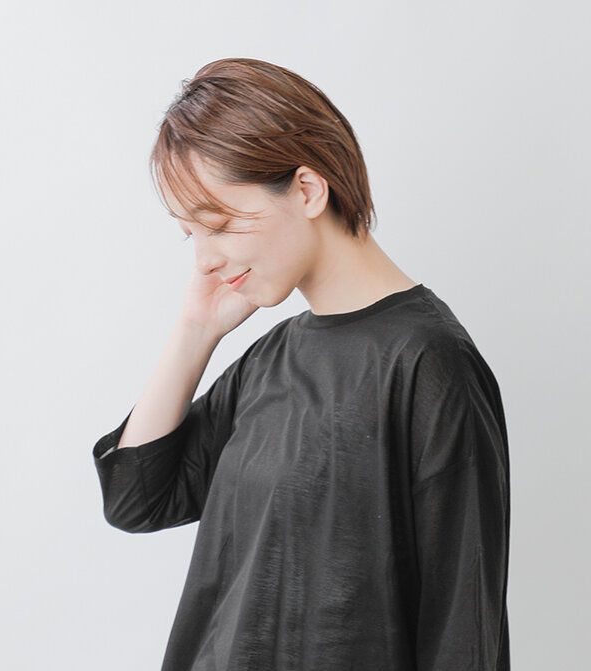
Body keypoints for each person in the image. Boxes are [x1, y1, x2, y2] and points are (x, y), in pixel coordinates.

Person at [92, 57, 511, 670]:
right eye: (191, 235)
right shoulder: (272, 358)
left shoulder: (429, 363)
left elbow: (463, 627)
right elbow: (137, 499)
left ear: (308, 191)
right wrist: (195, 332)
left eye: (219, 224)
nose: (205, 259)